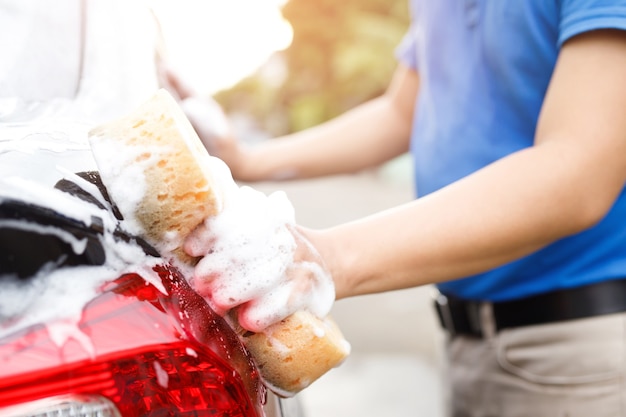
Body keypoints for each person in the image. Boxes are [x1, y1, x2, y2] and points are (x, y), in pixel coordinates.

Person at [182, 1, 626, 416]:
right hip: (467, 340)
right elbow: (400, 113)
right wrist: (246, 160)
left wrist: (328, 260)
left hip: (577, 349)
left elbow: (579, 170)